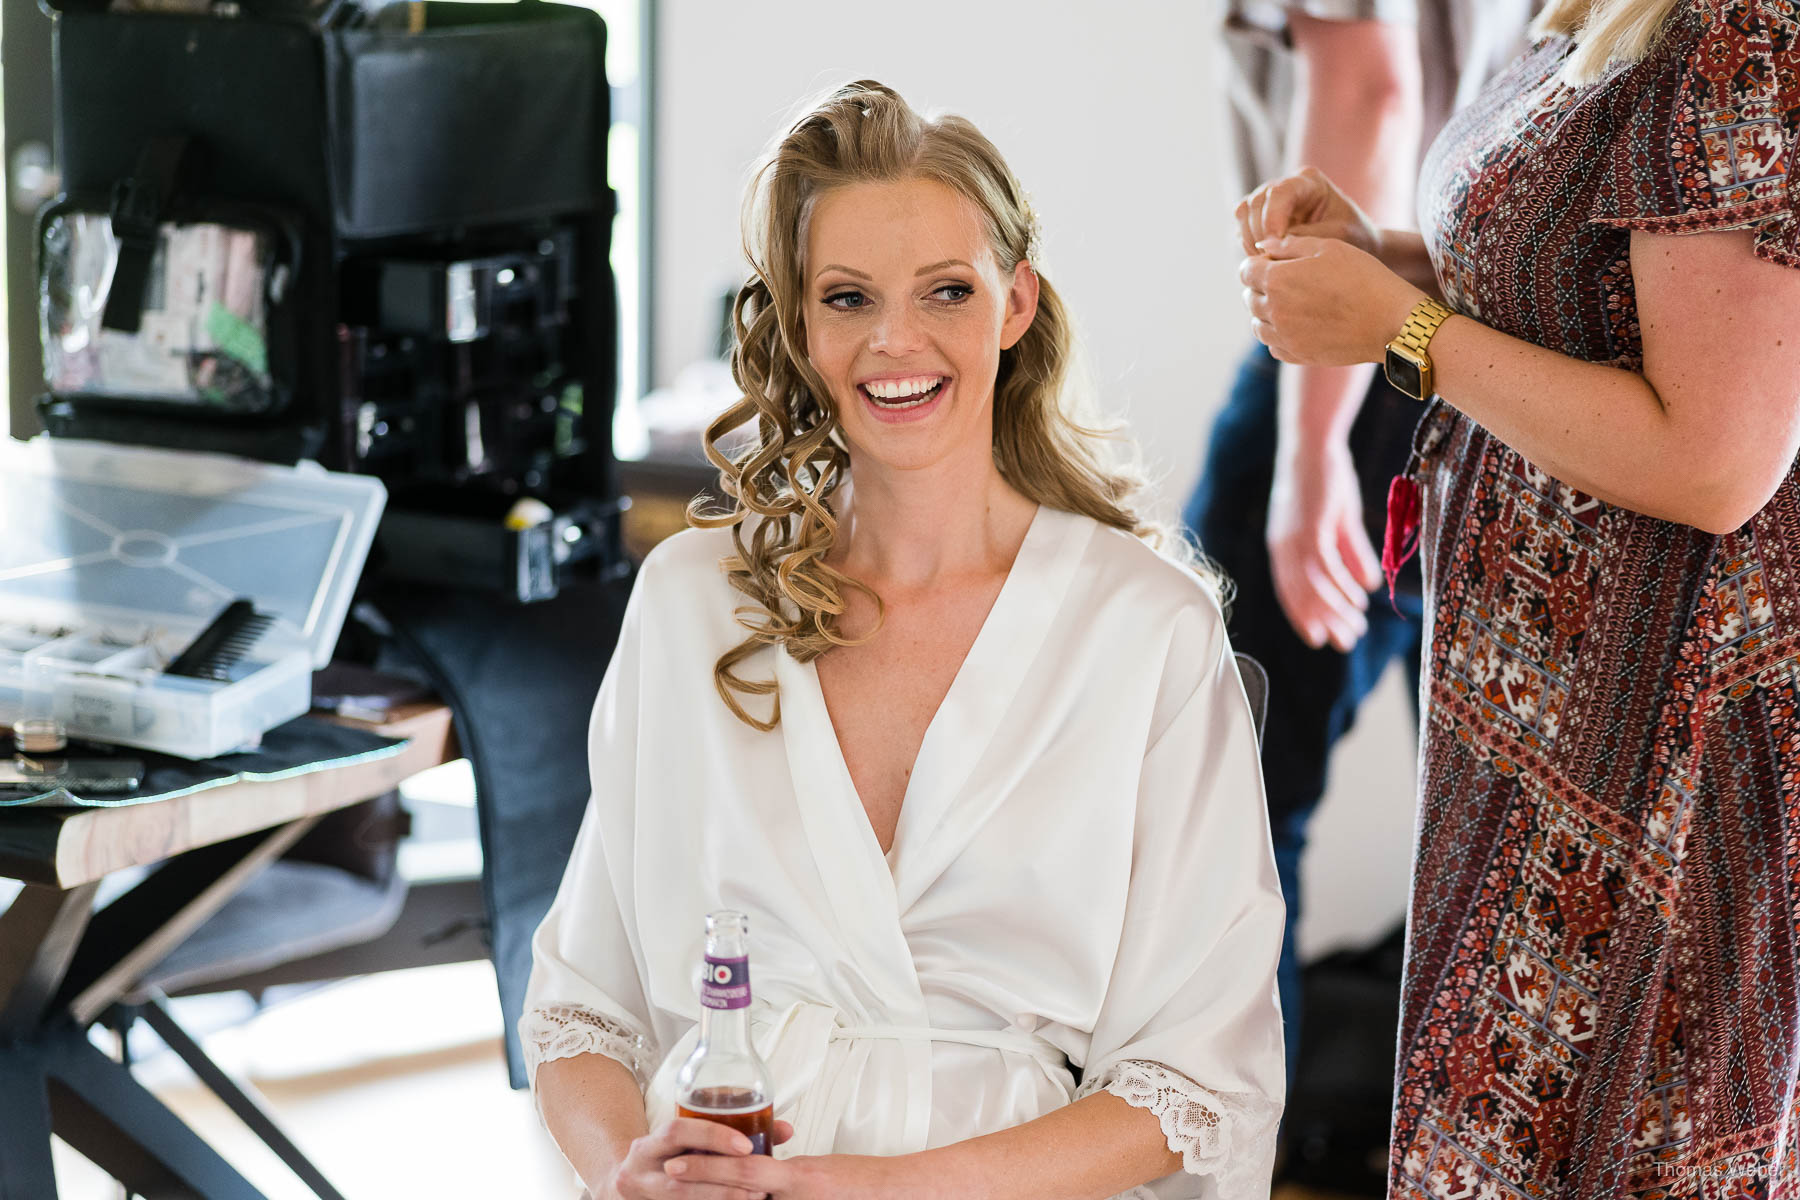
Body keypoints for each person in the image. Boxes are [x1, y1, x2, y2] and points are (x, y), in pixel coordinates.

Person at [523, 81, 1286, 1200]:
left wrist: (862, 1188)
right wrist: (621, 1176)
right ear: (795, 321)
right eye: (846, 297)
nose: (896, 341)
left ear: (1014, 304)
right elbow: (584, 1009)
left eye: (945, 291)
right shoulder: (692, 601)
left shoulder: (1146, 630)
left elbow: (1194, 1082)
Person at [1237, 0, 1800, 1193]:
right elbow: (1574, 286)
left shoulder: (1744, 31)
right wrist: (1379, 256)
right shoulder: (1590, 9)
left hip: (1653, 746)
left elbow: (1716, 462)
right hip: (1540, 719)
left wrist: (1404, 328)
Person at [1189, 0, 1536, 1089]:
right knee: (1492, 831)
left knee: (1223, 803)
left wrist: (1310, 450)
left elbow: (1368, 93)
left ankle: (1244, 1144)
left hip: (1376, 356)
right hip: (1484, 347)